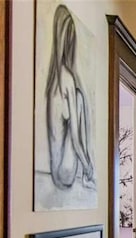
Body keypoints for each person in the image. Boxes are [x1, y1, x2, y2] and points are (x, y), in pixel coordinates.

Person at [45, 4, 95, 190]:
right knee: (80, 98)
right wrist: (87, 163)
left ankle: (86, 168)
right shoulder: (66, 77)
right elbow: (74, 135)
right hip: (65, 171)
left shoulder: (54, 80)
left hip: (56, 168)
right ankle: (86, 173)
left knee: (79, 97)